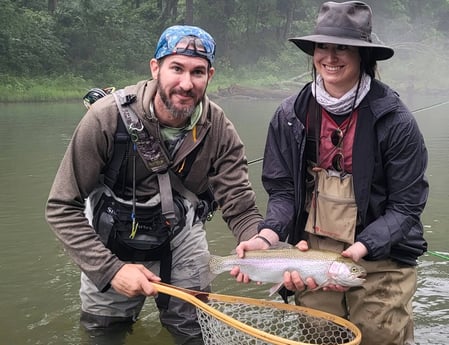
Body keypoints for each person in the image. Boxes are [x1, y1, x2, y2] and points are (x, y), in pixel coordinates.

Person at [46, 25, 263, 345]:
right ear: (155, 68)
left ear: (210, 75)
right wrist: (110, 270)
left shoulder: (218, 127)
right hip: (112, 236)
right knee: (104, 331)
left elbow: (239, 202)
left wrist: (256, 242)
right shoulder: (105, 118)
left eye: (198, 72)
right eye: (176, 68)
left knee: (195, 326)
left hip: (181, 233)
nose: (186, 83)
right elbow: (62, 207)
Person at [232, 2, 428, 345]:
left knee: (379, 335)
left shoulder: (396, 121)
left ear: (363, 55)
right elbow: (283, 193)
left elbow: (406, 208)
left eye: (343, 47)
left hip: (383, 252)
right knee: (320, 334)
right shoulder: (290, 114)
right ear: (313, 52)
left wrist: (362, 247)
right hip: (311, 250)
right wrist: (267, 236)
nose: (331, 56)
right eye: (323, 46)